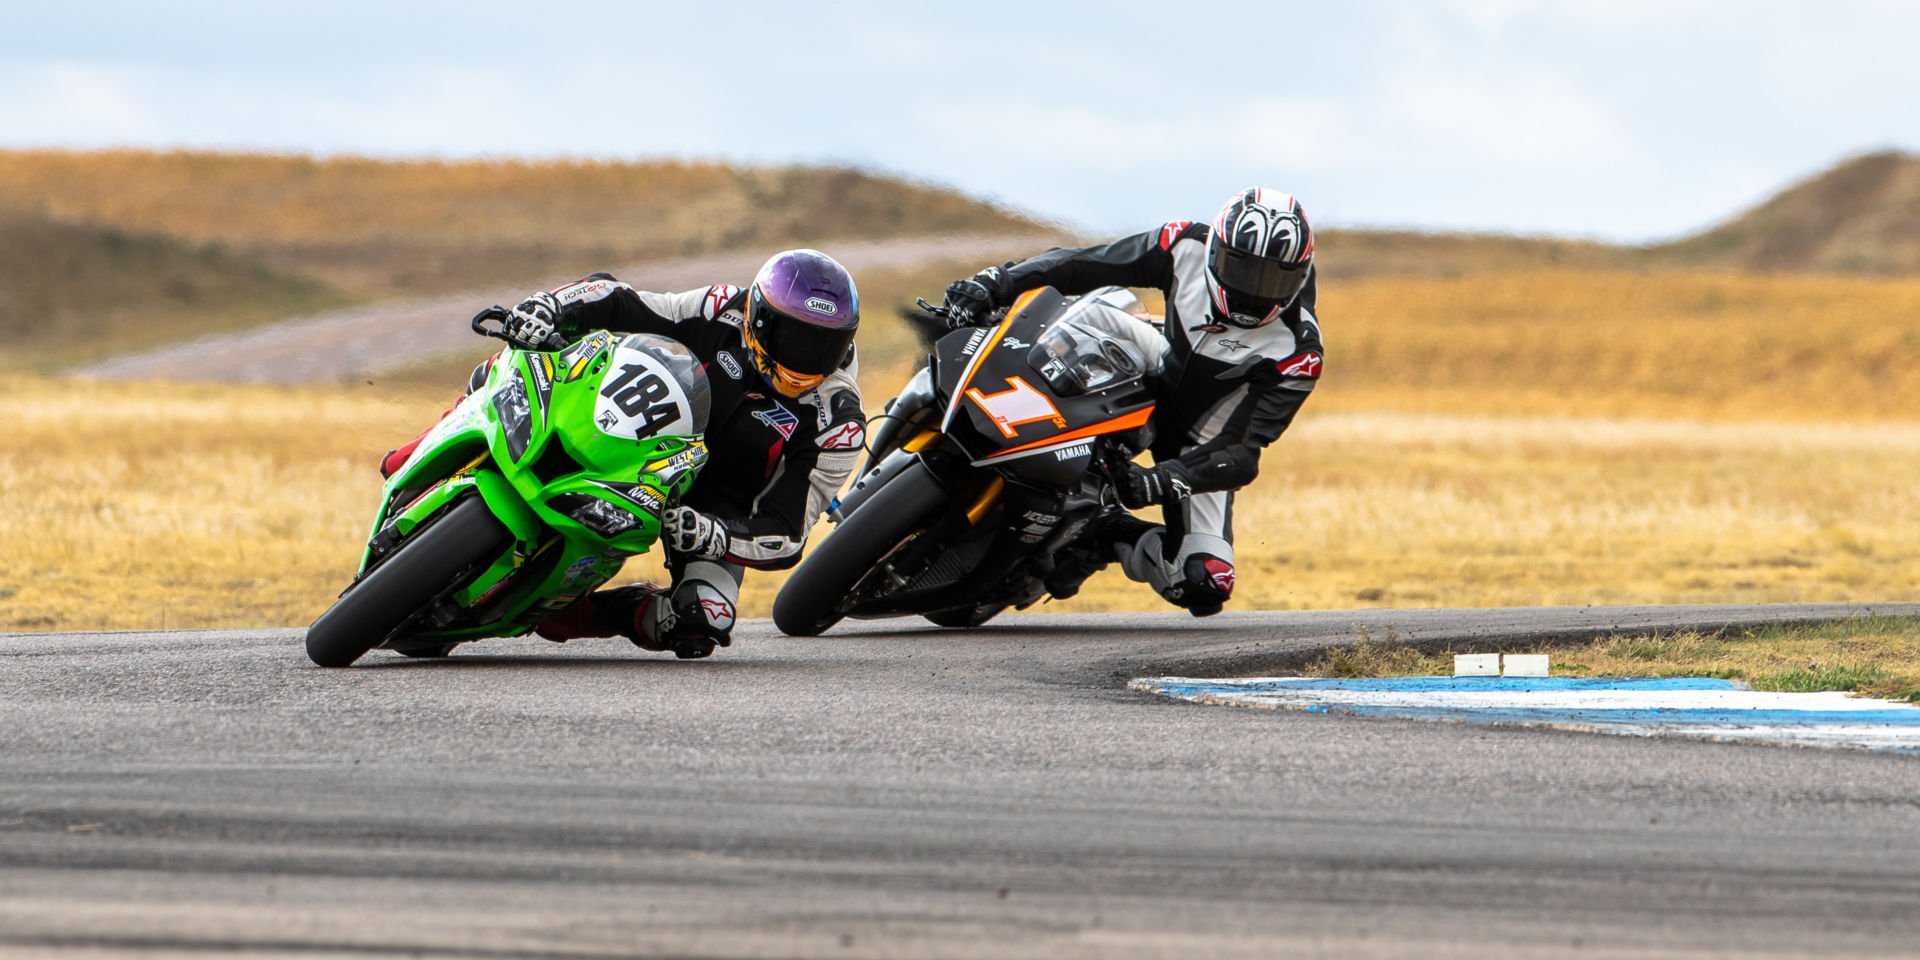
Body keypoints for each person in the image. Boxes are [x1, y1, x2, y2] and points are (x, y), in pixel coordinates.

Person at [380, 249, 866, 657]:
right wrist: (549, 308)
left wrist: (715, 534)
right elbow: (622, 300)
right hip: (642, 437)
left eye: (824, 345)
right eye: (794, 337)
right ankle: (415, 453)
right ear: (759, 315)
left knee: (702, 619)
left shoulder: (838, 421)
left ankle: (565, 611)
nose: (806, 359)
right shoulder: (722, 309)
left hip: (708, 508)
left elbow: (788, 532)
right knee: (518, 356)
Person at [941, 188, 1322, 617]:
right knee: (1094, 307)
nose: (1252, 291)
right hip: (1155, 361)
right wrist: (999, 281)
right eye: (1241, 268)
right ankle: (966, 397)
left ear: (1301, 275)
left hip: (1200, 444)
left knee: (1204, 582)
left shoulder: (1297, 352)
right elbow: (1087, 263)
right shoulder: (1183, 245)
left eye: (1272, 280)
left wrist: (1159, 481)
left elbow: (1241, 451)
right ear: (1216, 249)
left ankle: (1102, 536)